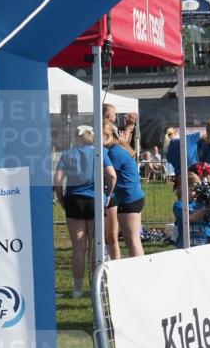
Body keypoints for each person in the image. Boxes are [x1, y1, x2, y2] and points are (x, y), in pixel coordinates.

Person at [54, 126, 117, 297]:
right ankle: (97, 288)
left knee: (78, 248)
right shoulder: (100, 152)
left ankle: (77, 289)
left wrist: (63, 201)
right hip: (95, 200)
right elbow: (112, 176)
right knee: (96, 247)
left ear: (78, 138)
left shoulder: (67, 154)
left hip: (74, 200)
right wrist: (108, 195)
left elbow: (57, 181)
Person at [102, 121, 146, 261]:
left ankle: (140, 270)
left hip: (130, 198)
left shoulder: (114, 152)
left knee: (132, 240)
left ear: (107, 135)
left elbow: (109, 175)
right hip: (129, 197)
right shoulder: (117, 149)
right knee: (130, 239)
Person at [172, 172, 210, 248]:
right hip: (185, 247)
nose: (196, 193)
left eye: (198, 190)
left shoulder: (200, 204)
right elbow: (190, 218)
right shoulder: (179, 205)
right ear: (183, 188)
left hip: (202, 246)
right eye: (193, 190)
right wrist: (205, 209)